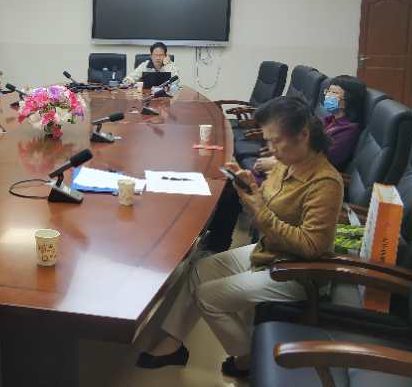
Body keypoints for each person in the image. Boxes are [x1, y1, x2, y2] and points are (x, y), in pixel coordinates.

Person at [136, 96, 342, 379]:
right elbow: (267, 202)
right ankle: (173, 344)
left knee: (207, 296)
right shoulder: (287, 162)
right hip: (270, 251)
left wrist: (258, 208)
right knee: (199, 270)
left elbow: (311, 247)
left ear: (303, 135)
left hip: (298, 273)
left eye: (276, 141)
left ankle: (247, 360)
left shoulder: (325, 182)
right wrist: (249, 188)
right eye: (268, 141)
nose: (271, 149)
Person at [203, 75, 366, 254]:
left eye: (334, 93)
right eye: (328, 91)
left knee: (229, 189)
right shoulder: (326, 121)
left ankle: (216, 244)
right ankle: (214, 242)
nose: (328, 96)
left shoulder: (346, 133)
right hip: (287, 179)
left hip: (299, 185)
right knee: (232, 184)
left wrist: (273, 166)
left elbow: (318, 159)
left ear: (349, 99)